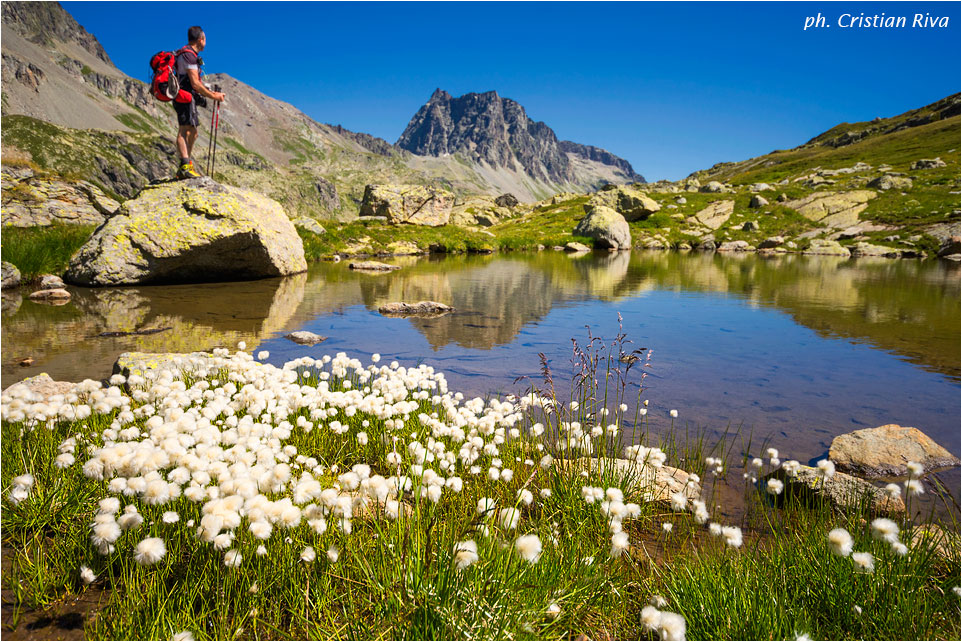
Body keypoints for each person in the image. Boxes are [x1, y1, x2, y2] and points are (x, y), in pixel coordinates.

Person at [173, 25, 226, 179]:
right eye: (205, 39)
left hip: (186, 96)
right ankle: (185, 167)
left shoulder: (187, 54)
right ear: (200, 39)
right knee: (185, 130)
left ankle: (186, 165)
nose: (206, 42)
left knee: (193, 133)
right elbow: (195, 83)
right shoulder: (188, 55)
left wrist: (211, 92)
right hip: (184, 96)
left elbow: (194, 82)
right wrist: (213, 96)